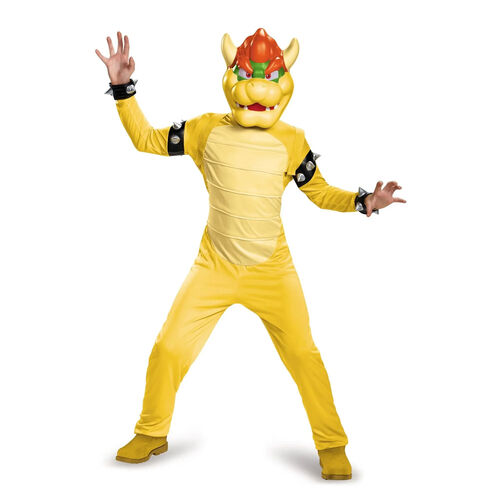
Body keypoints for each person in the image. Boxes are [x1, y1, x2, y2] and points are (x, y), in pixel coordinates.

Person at [96, 28, 406, 479]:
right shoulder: (204, 129)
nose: (258, 91)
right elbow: (146, 139)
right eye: (248, 78)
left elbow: (319, 193)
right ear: (231, 78)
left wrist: (365, 201)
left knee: (304, 355)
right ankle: (151, 431)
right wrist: (123, 89)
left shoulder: (293, 140)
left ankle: (331, 443)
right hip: (214, 266)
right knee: (168, 348)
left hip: (272, 271)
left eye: (268, 80)